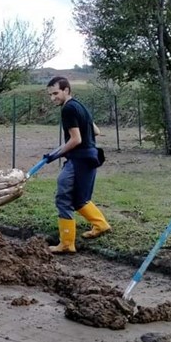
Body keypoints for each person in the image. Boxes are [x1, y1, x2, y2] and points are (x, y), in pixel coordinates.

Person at [43, 76, 110, 253]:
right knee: (79, 198)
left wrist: (55, 155)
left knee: (63, 197)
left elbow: (76, 139)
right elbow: (96, 131)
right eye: (50, 95)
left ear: (66, 90)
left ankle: (66, 243)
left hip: (79, 159)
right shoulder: (80, 106)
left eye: (55, 93)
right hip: (90, 157)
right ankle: (100, 225)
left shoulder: (68, 109)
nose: (52, 98)